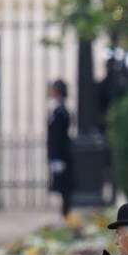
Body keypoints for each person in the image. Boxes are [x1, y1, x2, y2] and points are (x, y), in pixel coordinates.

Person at [47, 79, 75, 219]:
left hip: (61, 155)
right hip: (59, 154)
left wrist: (57, 157)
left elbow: (58, 137)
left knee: (65, 188)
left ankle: (67, 214)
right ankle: (65, 213)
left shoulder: (61, 111)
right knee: (63, 187)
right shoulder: (58, 110)